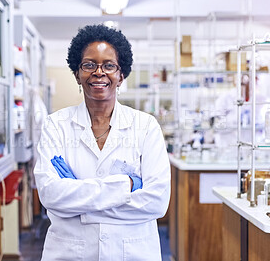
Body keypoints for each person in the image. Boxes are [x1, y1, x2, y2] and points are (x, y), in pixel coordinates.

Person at [34, 24, 171, 261]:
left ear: (121, 75)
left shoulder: (146, 127)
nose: (99, 72)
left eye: (109, 65)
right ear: (77, 73)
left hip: (132, 252)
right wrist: (126, 186)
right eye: (89, 64)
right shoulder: (55, 126)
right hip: (69, 252)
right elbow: (50, 195)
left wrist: (79, 203)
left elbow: (156, 203)